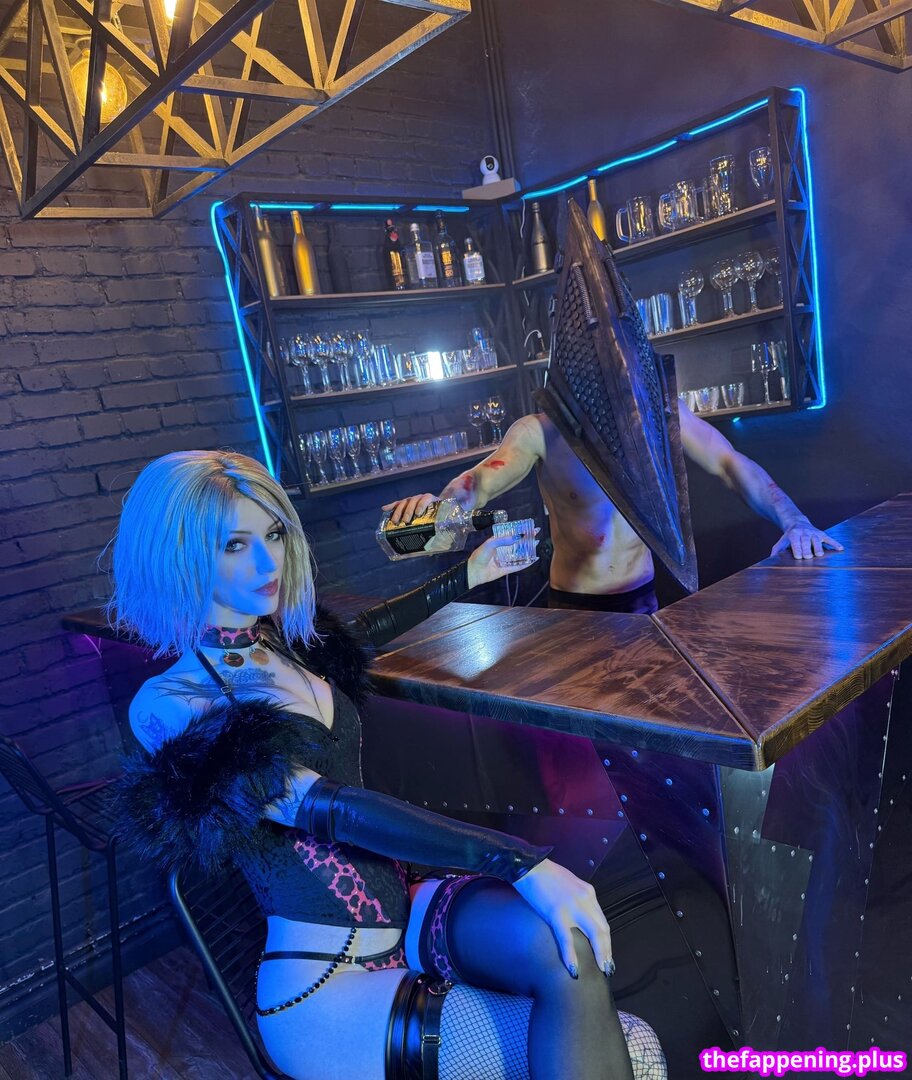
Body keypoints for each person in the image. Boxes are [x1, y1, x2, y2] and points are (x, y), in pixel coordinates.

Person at [111, 450, 665, 1080]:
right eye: (234, 545)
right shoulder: (169, 702)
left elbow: (370, 629)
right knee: (639, 1053)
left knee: (569, 951)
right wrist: (520, 861)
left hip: (406, 907)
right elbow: (330, 809)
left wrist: (470, 572)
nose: (268, 564)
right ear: (176, 555)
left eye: (274, 534)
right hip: (325, 982)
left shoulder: (282, 643)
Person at [384, 404, 844, 615]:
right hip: (573, 614)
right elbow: (477, 484)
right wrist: (442, 507)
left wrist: (795, 521)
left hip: (644, 603)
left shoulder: (660, 414)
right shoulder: (540, 432)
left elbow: (730, 463)